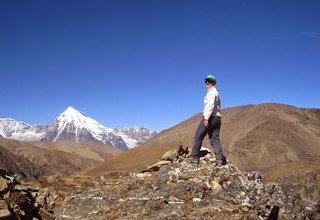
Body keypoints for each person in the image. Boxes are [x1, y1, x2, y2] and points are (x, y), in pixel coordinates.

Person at [188, 74, 226, 166]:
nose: (207, 83)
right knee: (215, 139)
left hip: (210, 117)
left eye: (210, 81)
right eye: (206, 81)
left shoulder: (211, 92)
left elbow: (210, 105)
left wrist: (206, 119)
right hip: (217, 118)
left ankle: (194, 157)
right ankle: (219, 159)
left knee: (198, 136)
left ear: (213, 83)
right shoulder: (217, 92)